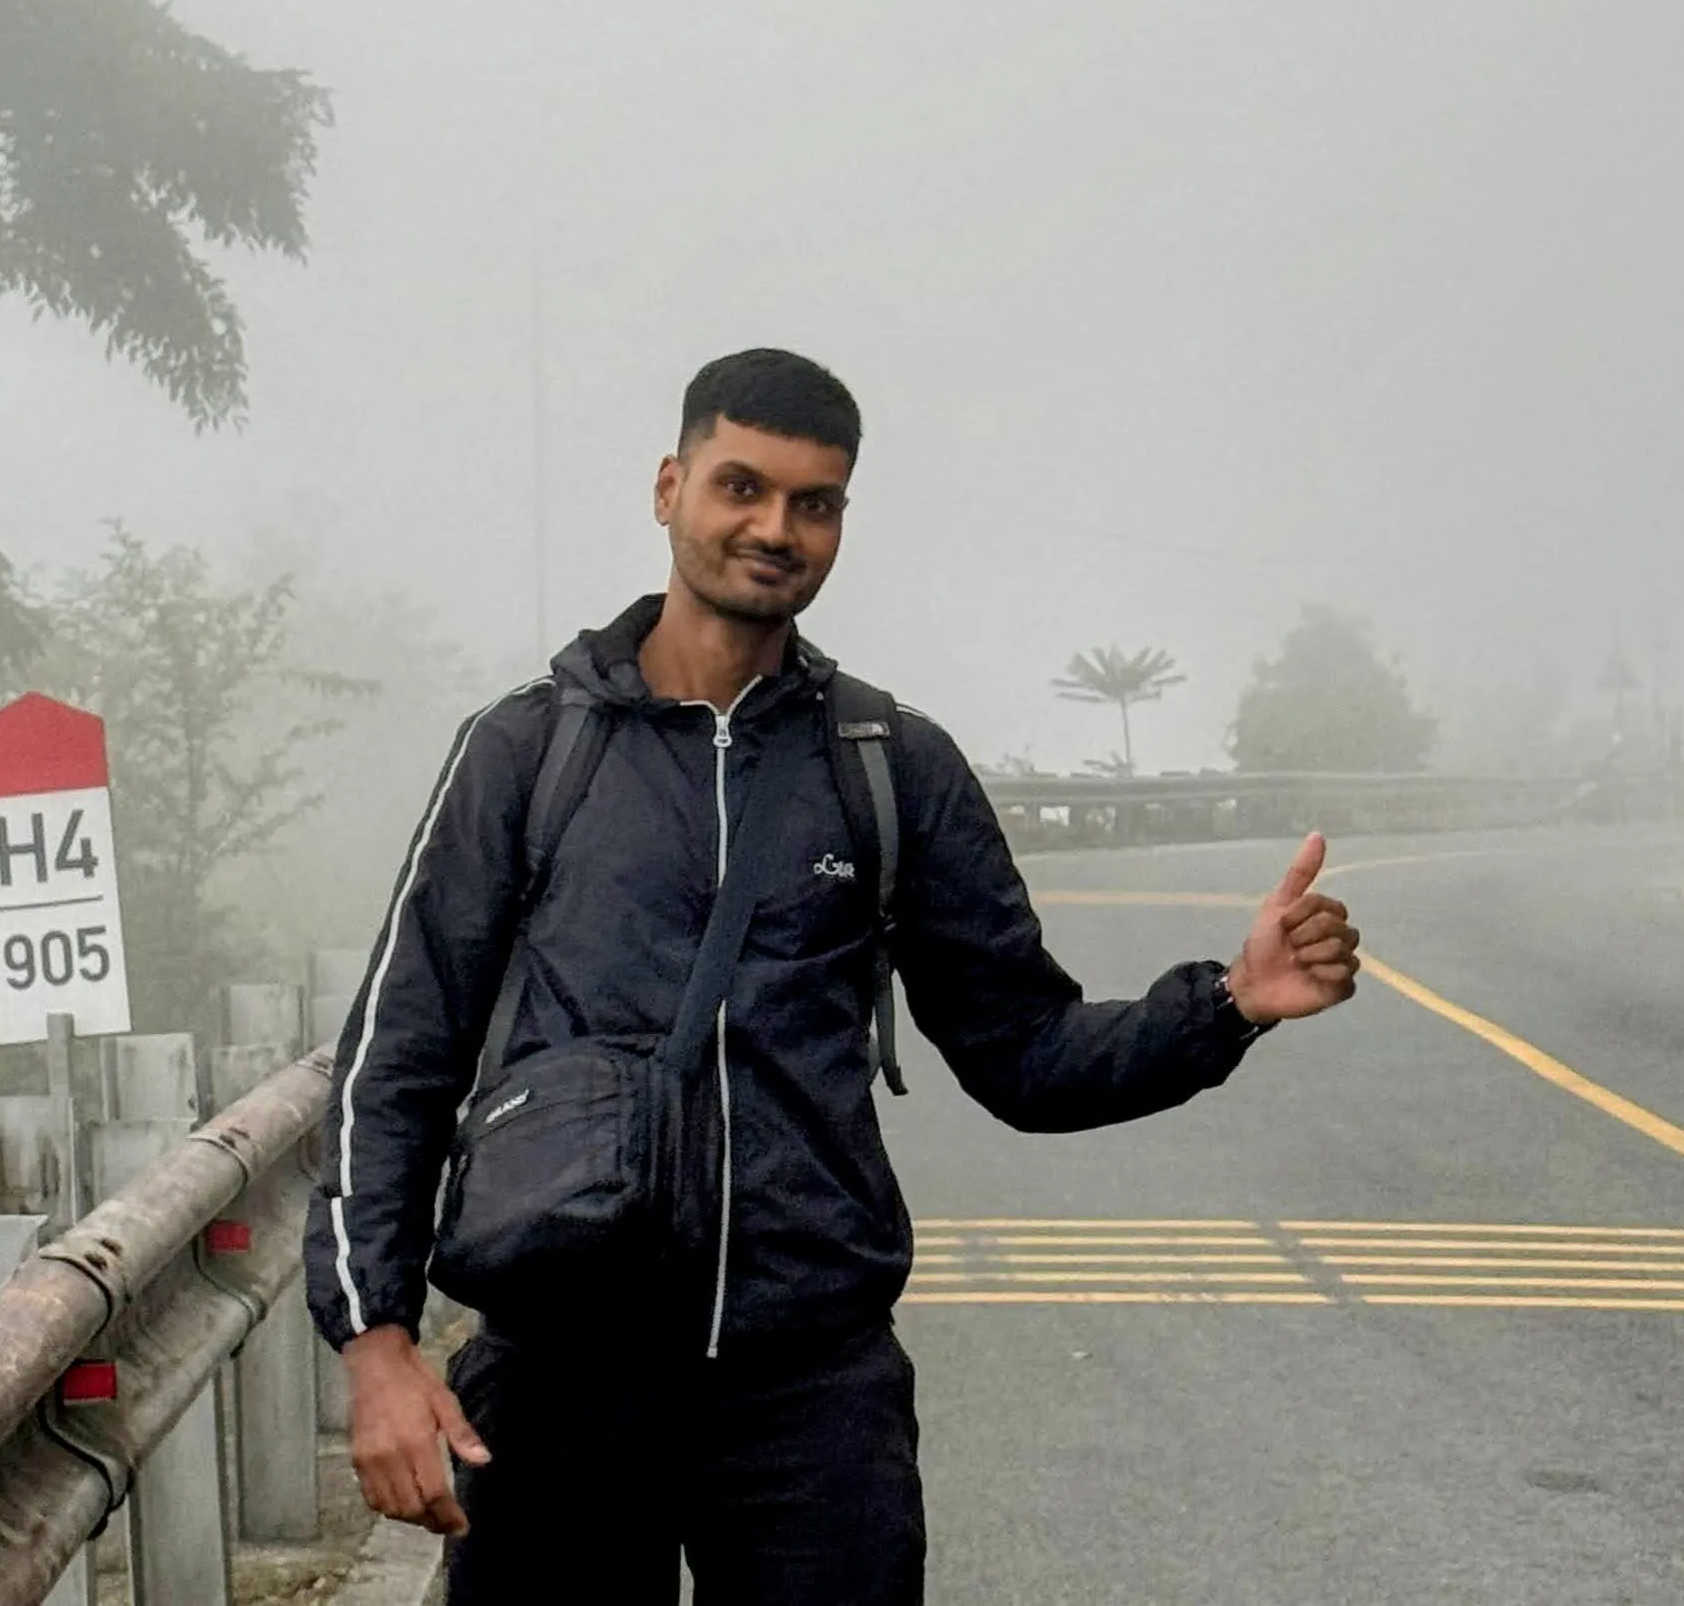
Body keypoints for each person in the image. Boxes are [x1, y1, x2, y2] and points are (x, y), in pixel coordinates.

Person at [304, 348, 1361, 1605]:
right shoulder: (527, 751)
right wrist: (376, 1340)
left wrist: (1227, 1003)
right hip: (560, 1378)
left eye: (815, 502)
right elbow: (399, 1053)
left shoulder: (890, 764)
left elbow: (1023, 1048)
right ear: (669, 486)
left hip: (809, 1395)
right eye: (741, 486)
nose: (774, 527)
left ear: (841, 520)